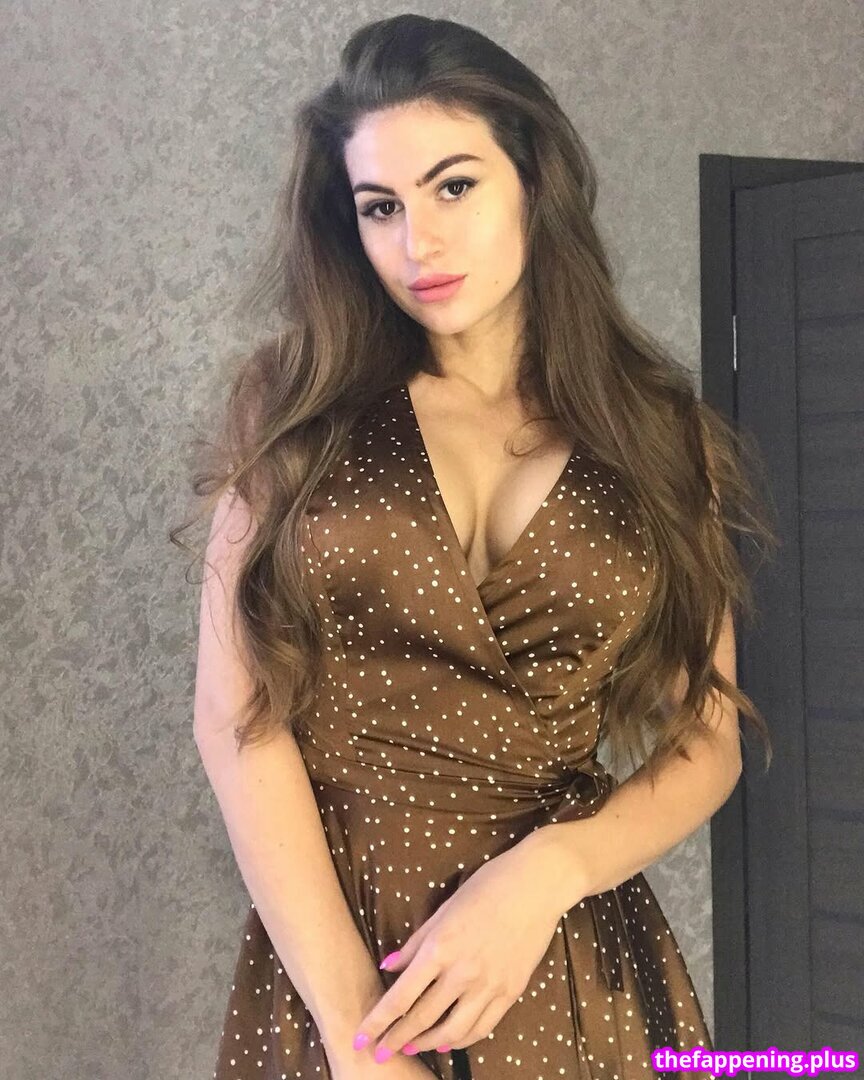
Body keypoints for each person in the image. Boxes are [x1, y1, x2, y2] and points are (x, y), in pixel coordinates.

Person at [173, 13, 778, 1080]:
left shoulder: (656, 430)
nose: (419, 243)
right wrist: (356, 1035)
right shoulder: (295, 403)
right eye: (381, 206)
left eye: (453, 187)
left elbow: (708, 736)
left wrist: (554, 871)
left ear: (535, 181)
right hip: (346, 965)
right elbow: (236, 722)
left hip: (568, 957)